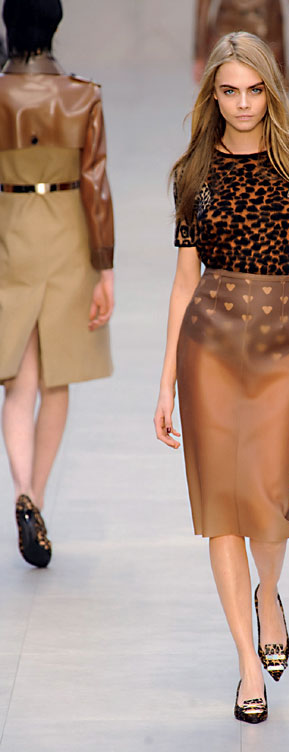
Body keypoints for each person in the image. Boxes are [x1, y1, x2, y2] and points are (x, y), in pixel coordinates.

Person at [154, 31, 289, 723]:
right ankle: (248, 665)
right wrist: (165, 382)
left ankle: (268, 593)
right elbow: (183, 281)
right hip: (209, 344)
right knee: (222, 505)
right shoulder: (193, 169)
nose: (243, 104)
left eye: (254, 90)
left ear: (271, 92)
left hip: (284, 344)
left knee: (270, 500)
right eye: (229, 91)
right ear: (213, 95)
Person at [0, 0, 115, 568]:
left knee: (18, 384)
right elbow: (96, 183)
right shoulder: (81, 95)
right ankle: (37, 498)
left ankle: (21, 487)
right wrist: (105, 266)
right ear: (54, 26)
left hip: (10, 230)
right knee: (57, 380)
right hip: (67, 231)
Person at [193, 0, 289, 102]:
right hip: (228, 31)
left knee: (272, 102)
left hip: (269, 34)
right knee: (227, 98)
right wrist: (200, 55)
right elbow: (202, 5)